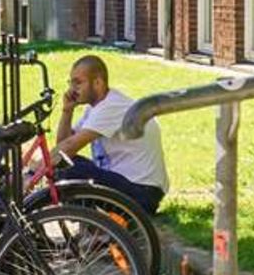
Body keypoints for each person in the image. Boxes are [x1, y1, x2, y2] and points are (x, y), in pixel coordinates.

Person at [52, 55, 169, 215]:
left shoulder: (112, 106)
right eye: (71, 82)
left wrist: (33, 171)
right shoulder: (95, 107)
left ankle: (99, 229)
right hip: (125, 183)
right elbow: (64, 144)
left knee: (70, 172)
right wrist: (67, 110)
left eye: (78, 82)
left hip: (142, 192)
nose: (72, 89)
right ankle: (96, 228)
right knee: (66, 165)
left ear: (98, 83)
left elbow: (68, 148)